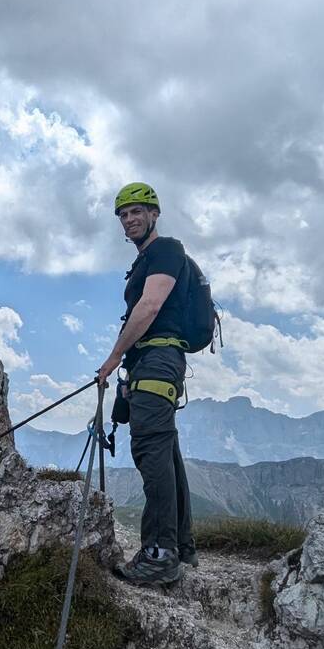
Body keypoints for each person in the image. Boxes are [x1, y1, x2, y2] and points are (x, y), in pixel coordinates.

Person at [96, 182, 195, 586]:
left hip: (157, 359)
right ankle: (182, 547)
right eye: (123, 214)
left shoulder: (166, 250)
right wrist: (126, 373)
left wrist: (115, 355)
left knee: (151, 449)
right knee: (166, 451)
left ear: (154, 213)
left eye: (137, 211)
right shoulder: (142, 262)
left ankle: (159, 553)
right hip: (150, 363)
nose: (129, 219)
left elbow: (150, 306)